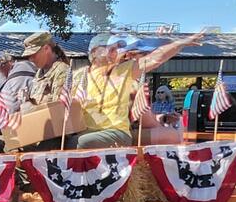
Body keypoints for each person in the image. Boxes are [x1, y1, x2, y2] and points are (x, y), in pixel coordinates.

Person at [71, 31, 205, 149]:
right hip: (89, 131)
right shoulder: (79, 76)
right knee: (65, 142)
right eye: (111, 49)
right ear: (95, 52)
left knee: (79, 142)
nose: (115, 52)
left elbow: (155, 59)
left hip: (116, 133)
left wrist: (180, 43)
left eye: (116, 49)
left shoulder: (123, 71)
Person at [4, 31, 59, 113]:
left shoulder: (60, 70)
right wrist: (27, 101)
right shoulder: (39, 74)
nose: (31, 59)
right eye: (29, 56)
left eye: (34, 54)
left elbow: (58, 108)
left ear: (46, 49)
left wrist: (28, 106)